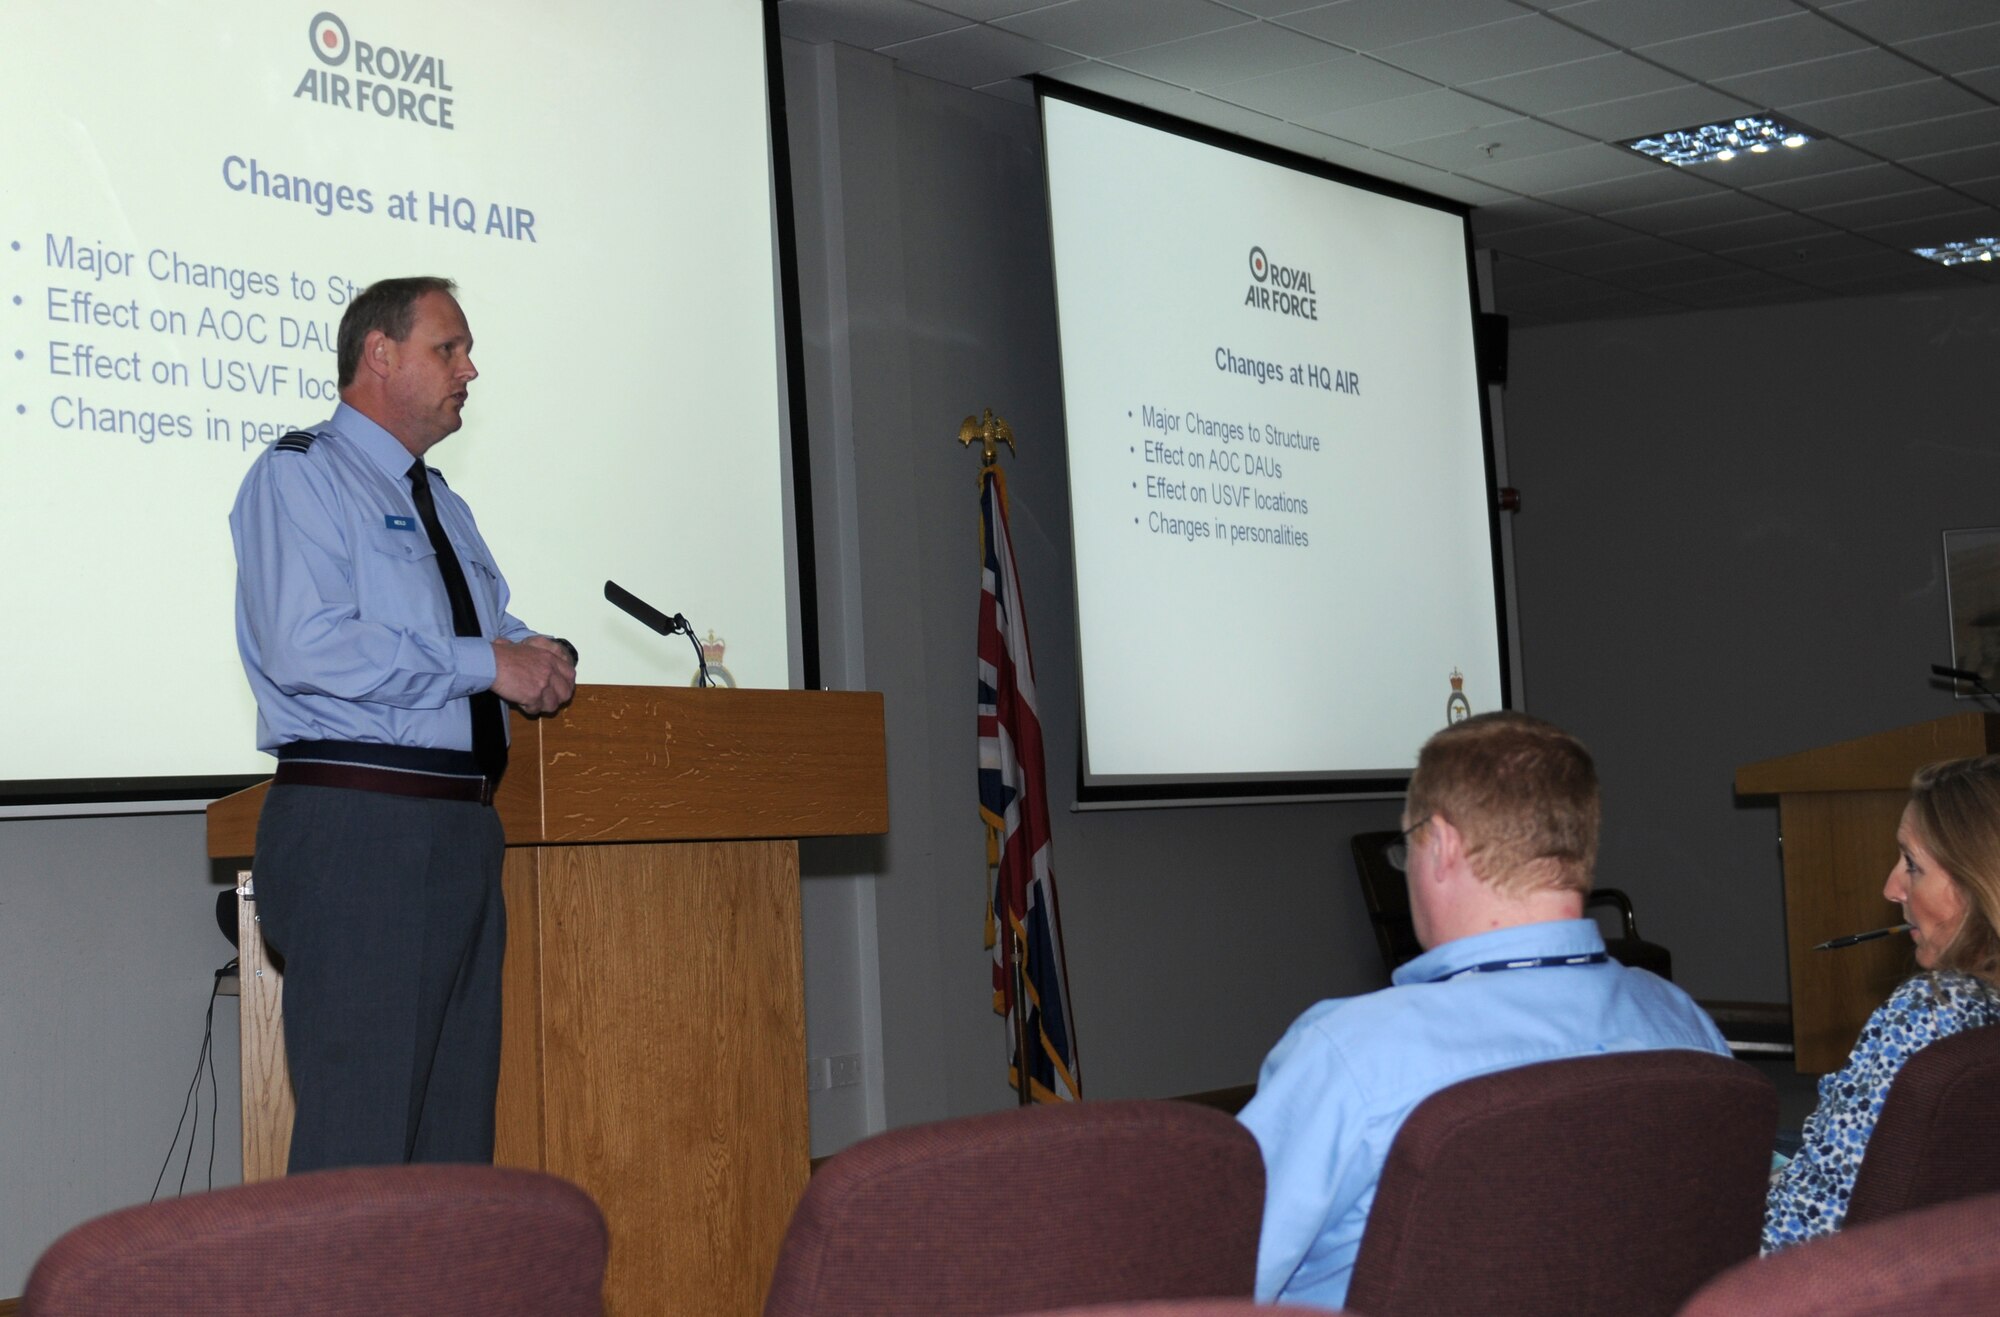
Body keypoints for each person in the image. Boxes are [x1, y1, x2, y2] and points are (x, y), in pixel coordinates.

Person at [229, 276, 577, 1172]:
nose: (471, 368)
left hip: (460, 831)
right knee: (362, 1151)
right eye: (447, 349)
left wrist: (533, 648)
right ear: (379, 356)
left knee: (452, 1152)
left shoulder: (445, 502)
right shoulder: (300, 474)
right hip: (362, 827)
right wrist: (490, 662)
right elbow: (307, 645)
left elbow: (484, 625)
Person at [1238, 712, 1730, 1310]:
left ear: (1441, 845)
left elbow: (1204, 1277)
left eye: (1408, 844)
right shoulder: (1686, 1027)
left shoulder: (1353, 1057)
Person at [1763, 755, 2000, 1251]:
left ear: (1980, 883)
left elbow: (1805, 1229)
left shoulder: (1929, 1011)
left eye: (1912, 865)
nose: (1891, 888)